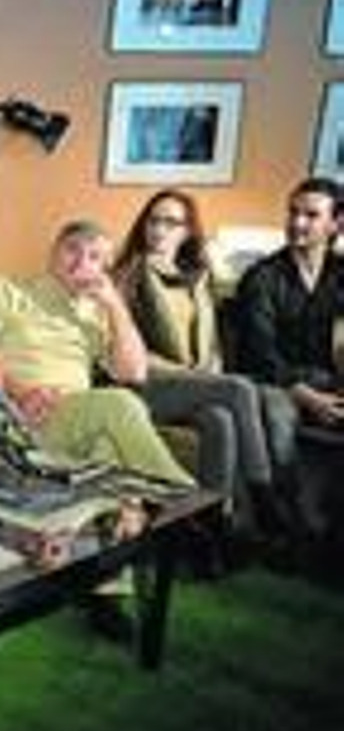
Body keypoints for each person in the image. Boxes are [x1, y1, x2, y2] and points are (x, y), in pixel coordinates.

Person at [0, 220, 194, 487]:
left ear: (103, 269)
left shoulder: (95, 313)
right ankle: (185, 493)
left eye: (94, 257)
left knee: (109, 448)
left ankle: (131, 505)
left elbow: (134, 373)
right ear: (53, 252)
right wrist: (21, 393)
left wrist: (115, 305)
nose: (81, 262)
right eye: (72, 249)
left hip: (72, 419)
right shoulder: (8, 290)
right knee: (121, 405)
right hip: (16, 416)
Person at [112, 188, 273, 536]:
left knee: (219, 420)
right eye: (153, 221)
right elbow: (125, 350)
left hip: (192, 385)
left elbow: (211, 342)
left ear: (187, 231)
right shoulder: (127, 276)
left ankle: (212, 523)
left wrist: (209, 372)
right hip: (145, 384)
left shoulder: (198, 277)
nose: (159, 229)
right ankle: (265, 497)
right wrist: (193, 376)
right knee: (240, 388)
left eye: (171, 223)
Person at [231, 176, 344, 547]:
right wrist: (303, 394)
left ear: (336, 224)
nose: (297, 223)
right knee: (279, 420)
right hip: (272, 381)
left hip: (330, 380)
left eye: (311, 215)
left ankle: (331, 530)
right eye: (293, 212)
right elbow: (258, 352)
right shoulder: (262, 277)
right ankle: (286, 524)